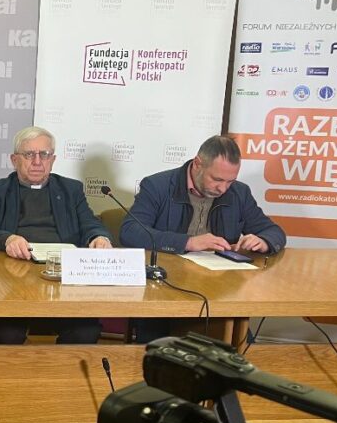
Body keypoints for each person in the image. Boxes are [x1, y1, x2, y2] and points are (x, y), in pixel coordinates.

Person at [120, 135, 286, 342]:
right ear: (197, 164)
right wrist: (188, 242)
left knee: (240, 345)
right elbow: (130, 231)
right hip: (165, 288)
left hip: (219, 292)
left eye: (230, 181)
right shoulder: (157, 186)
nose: (223, 188)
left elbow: (273, 231)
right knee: (158, 344)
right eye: (217, 179)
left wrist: (264, 241)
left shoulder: (239, 193)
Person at [0, 126, 113, 344]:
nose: (37, 161)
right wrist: (7, 239)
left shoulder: (71, 189)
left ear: (52, 160)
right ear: (14, 160)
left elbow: (90, 223)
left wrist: (99, 237)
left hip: (61, 277)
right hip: (12, 277)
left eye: (44, 154)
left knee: (84, 332)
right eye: (29, 154)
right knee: (5, 334)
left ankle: (61, 368)